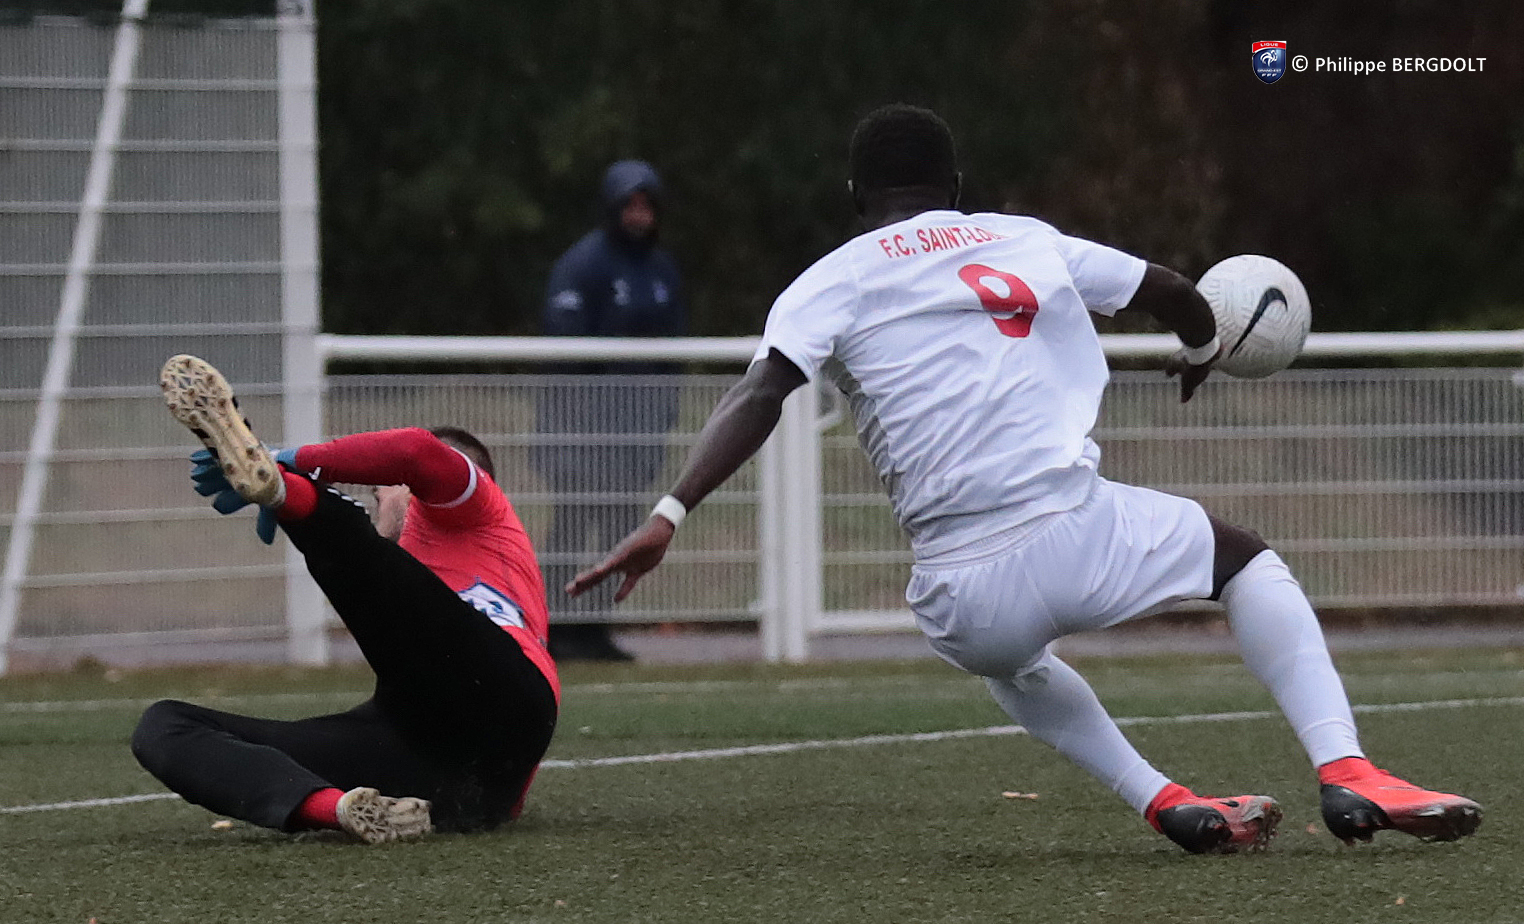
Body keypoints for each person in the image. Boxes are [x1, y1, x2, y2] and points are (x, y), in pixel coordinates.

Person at [568, 105, 1483, 854]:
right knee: (1244, 563)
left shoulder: (826, 281)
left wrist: (668, 513)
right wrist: (1202, 349)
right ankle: (1347, 770)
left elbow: (760, 393)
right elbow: (1174, 292)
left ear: (855, 196)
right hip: (1074, 531)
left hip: (960, 595)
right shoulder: (1025, 239)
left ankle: (1165, 802)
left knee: (1012, 662)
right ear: (955, 186)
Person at [132, 354, 559, 843]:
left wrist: (287, 460)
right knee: (165, 726)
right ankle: (338, 809)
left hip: (502, 688)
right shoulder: (418, 584)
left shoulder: (479, 512)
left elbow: (416, 451)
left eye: (382, 493)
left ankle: (282, 490)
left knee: (351, 540)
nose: (378, 504)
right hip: (451, 772)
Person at [534, 159, 688, 661]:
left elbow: (674, 353)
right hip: (580, 429)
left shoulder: (662, 271)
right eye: (630, 205)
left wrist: (662, 413)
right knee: (573, 524)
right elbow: (564, 345)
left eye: (647, 205)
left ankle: (595, 631)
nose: (639, 215)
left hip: (636, 431)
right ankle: (553, 629)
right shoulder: (583, 264)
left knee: (621, 527)